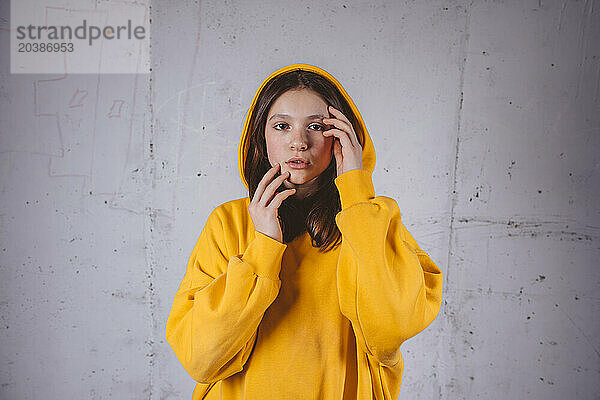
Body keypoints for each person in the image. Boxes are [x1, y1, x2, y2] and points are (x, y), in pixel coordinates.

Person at [165, 63, 443, 399]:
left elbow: (389, 332)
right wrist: (264, 247)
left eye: (316, 126)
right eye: (282, 126)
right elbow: (201, 359)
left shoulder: (373, 221)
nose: (299, 142)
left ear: (342, 136)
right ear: (261, 138)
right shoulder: (229, 222)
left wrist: (356, 193)